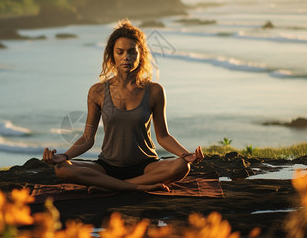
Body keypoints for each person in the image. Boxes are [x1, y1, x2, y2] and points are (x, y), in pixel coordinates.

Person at [43, 20, 203, 192]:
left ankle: (111, 187)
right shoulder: (97, 91)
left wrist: (186, 155)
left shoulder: (154, 91)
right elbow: (87, 138)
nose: (126, 57)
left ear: (141, 55)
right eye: (120, 52)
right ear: (112, 55)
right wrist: (64, 156)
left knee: (182, 167)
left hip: (146, 166)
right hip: (107, 166)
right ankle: (136, 187)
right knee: (62, 169)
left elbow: (163, 136)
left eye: (132, 52)